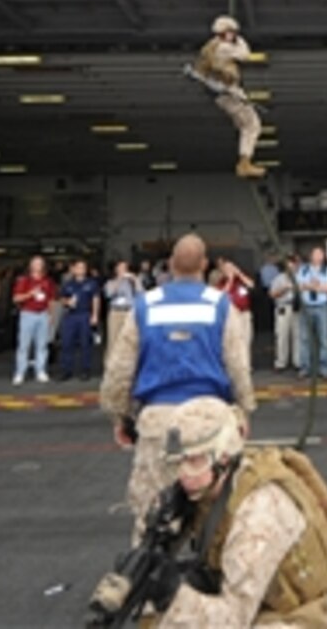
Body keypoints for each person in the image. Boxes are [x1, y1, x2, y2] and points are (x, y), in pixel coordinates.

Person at [132, 396, 327, 627]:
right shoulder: (211, 486)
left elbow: (233, 620)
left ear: (224, 456)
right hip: (259, 607)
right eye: (179, 461)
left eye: (195, 460)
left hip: (295, 619)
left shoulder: (258, 513)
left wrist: (171, 594)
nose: (184, 473)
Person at [100, 233, 256, 544]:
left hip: (160, 423)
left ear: (170, 264)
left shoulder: (145, 305)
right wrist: (244, 410)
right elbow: (238, 366)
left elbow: (118, 371)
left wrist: (119, 416)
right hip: (211, 422)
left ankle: (148, 585)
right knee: (221, 521)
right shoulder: (220, 304)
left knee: (152, 519)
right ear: (204, 264)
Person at [195, 15, 265, 178]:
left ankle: (245, 160)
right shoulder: (223, 47)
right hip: (230, 91)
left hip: (222, 94)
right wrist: (240, 39)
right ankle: (245, 162)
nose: (233, 35)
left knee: (244, 125)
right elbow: (245, 55)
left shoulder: (210, 47)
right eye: (232, 32)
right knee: (253, 125)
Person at [11, 255, 57, 386]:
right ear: (30, 266)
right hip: (28, 314)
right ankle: (20, 372)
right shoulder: (24, 280)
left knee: (42, 345)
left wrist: (51, 315)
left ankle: (40, 370)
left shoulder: (48, 281)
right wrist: (30, 294)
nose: (38, 265)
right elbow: (16, 298)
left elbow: (51, 299)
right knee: (24, 345)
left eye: (40, 263)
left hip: (43, 314)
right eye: (35, 263)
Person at [58, 259, 101, 381]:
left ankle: (85, 370)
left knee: (85, 344)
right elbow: (61, 298)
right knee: (67, 343)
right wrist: (67, 302)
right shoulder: (68, 284)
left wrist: (95, 315)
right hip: (70, 316)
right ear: (74, 269)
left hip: (85, 315)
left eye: (83, 267)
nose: (81, 269)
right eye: (78, 267)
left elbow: (96, 299)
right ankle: (66, 370)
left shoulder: (92, 283)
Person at [296, 247, 327, 379]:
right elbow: (298, 286)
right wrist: (317, 287)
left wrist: (311, 286)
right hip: (306, 307)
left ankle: (324, 369)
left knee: (324, 339)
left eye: (320, 254)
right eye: (315, 254)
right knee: (304, 339)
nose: (318, 257)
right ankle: (304, 368)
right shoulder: (303, 269)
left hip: (322, 307)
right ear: (311, 256)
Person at [216, 258, 255, 367]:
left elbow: (251, 285)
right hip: (231, 315)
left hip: (244, 314)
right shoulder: (221, 282)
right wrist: (230, 279)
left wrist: (239, 274)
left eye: (231, 267)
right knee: (233, 342)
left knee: (246, 339)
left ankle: (246, 365)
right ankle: (234, 365)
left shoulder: (241, 280)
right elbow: (221, 295)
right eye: (227, 268)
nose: (230, 270)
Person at [269, 254, 301, 372]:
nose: (292, 267)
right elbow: (272, 294)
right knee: (281, 335)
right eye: (289, 265)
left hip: (297, 308)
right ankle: (281, 362)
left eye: (294, 265)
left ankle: (297, 361)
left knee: (297, 335)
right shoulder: (279, 278)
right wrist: (285, 288)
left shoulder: (300, 277)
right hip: (283, 307)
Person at [104, 261, 140, 361]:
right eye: (121, 267)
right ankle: (110, 364)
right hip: (116, 312)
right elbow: (109, 294)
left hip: (129, 312)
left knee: (130, 339)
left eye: (125, 268)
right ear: (116, 269)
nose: (123, 270)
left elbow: (141, 294)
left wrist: (135, 280)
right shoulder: (110, 282)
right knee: (113, 339)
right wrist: (119, 279)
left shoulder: (132, 282)